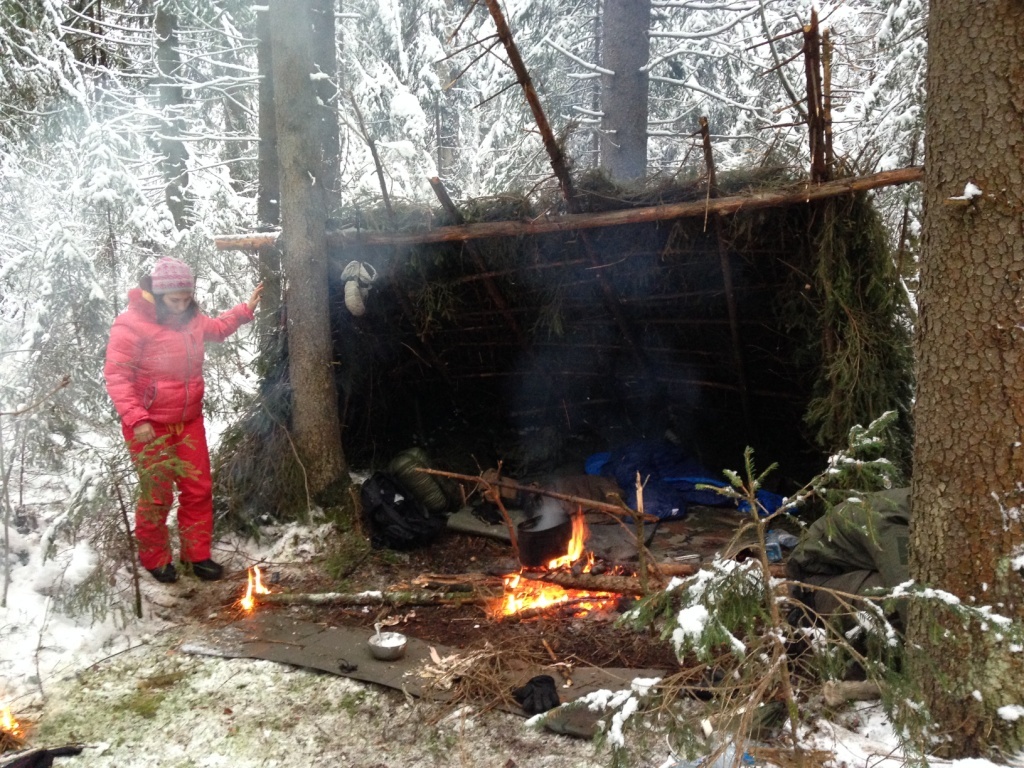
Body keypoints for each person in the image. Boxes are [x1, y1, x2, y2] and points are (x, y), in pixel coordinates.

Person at [104, 256, 263, 583]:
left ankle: (197, 555)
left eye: (187, 298)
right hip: (149, 426)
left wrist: (243, 310)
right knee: (157, 494)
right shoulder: (131, 324)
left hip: (188, 420)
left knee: (198, 488)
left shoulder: (190, 318)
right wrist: (137, 418)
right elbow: (117, 375)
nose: (181, 305)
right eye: (174, 300)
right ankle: (154, 558)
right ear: (156, 294)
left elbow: (216, 328)